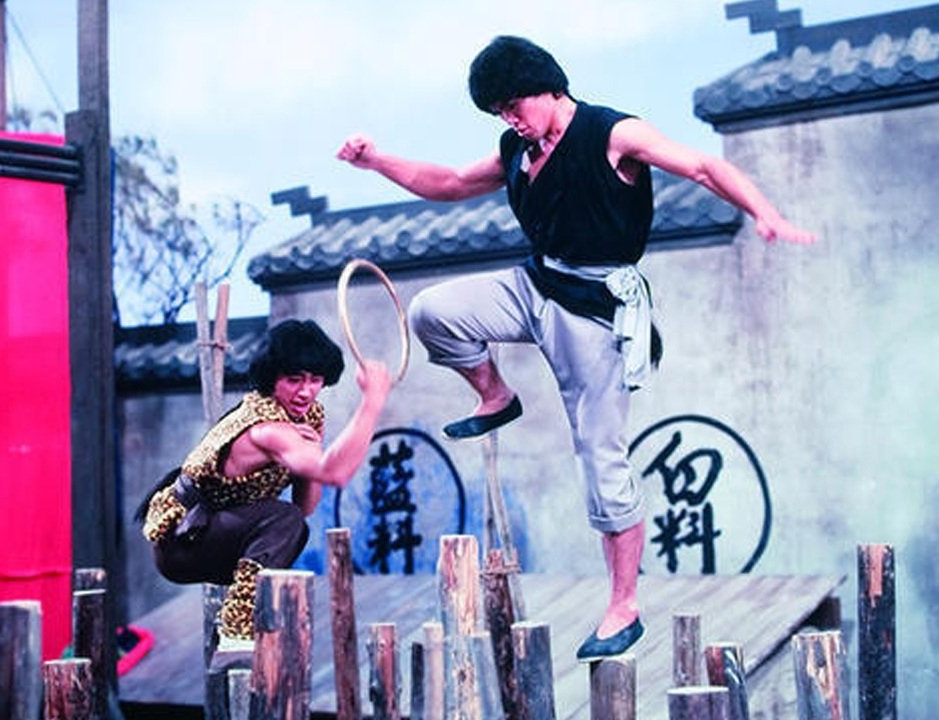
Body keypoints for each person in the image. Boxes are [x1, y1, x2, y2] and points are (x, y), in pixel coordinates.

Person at [336, 35, 814, 661]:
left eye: (512, 106)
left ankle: (624, 606)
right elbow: (449, 182)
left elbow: (702, 167)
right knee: (434, 313)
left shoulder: (613, 134)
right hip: (537, 283)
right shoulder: (517, 148)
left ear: (545, 87)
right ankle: (495, 394)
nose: (509, 120)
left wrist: (764, 213)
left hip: (595, 309)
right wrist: (377, 161)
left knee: (600, 456)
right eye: (498, 113)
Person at [138, 319, 392, 661]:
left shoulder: (302, 419)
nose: (305, 391)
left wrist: (311, 457)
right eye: (294, 379)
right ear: (272, 378)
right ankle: (236, 630)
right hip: (182, 543)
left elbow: (306, 506)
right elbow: (335, 473)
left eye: (315, 380)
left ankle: (243, 625)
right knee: (283, 519)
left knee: (293, 524)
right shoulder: (266, 428)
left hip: (218, 532)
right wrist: (372, 403)